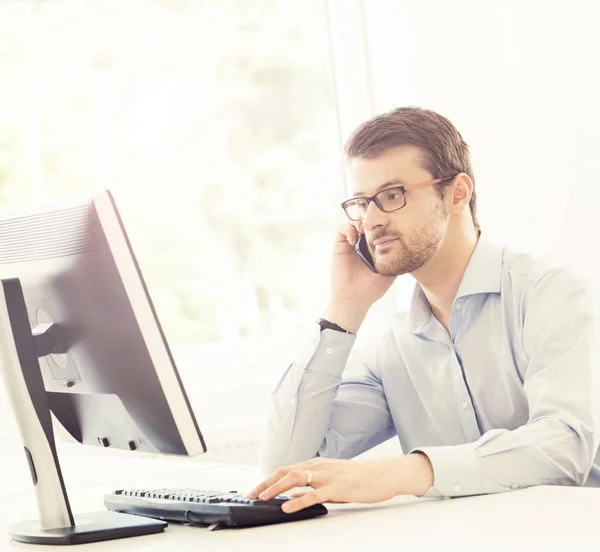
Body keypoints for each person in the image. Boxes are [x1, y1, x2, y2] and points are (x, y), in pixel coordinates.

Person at [247, 106, 600, 514]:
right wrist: (344, 309)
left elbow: (566, 445)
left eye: (392, 195)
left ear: (456, 193)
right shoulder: (392, 348)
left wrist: (404, 473)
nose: (372, 221)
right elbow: (283, 468)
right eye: (363, 203)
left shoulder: (551, 295)